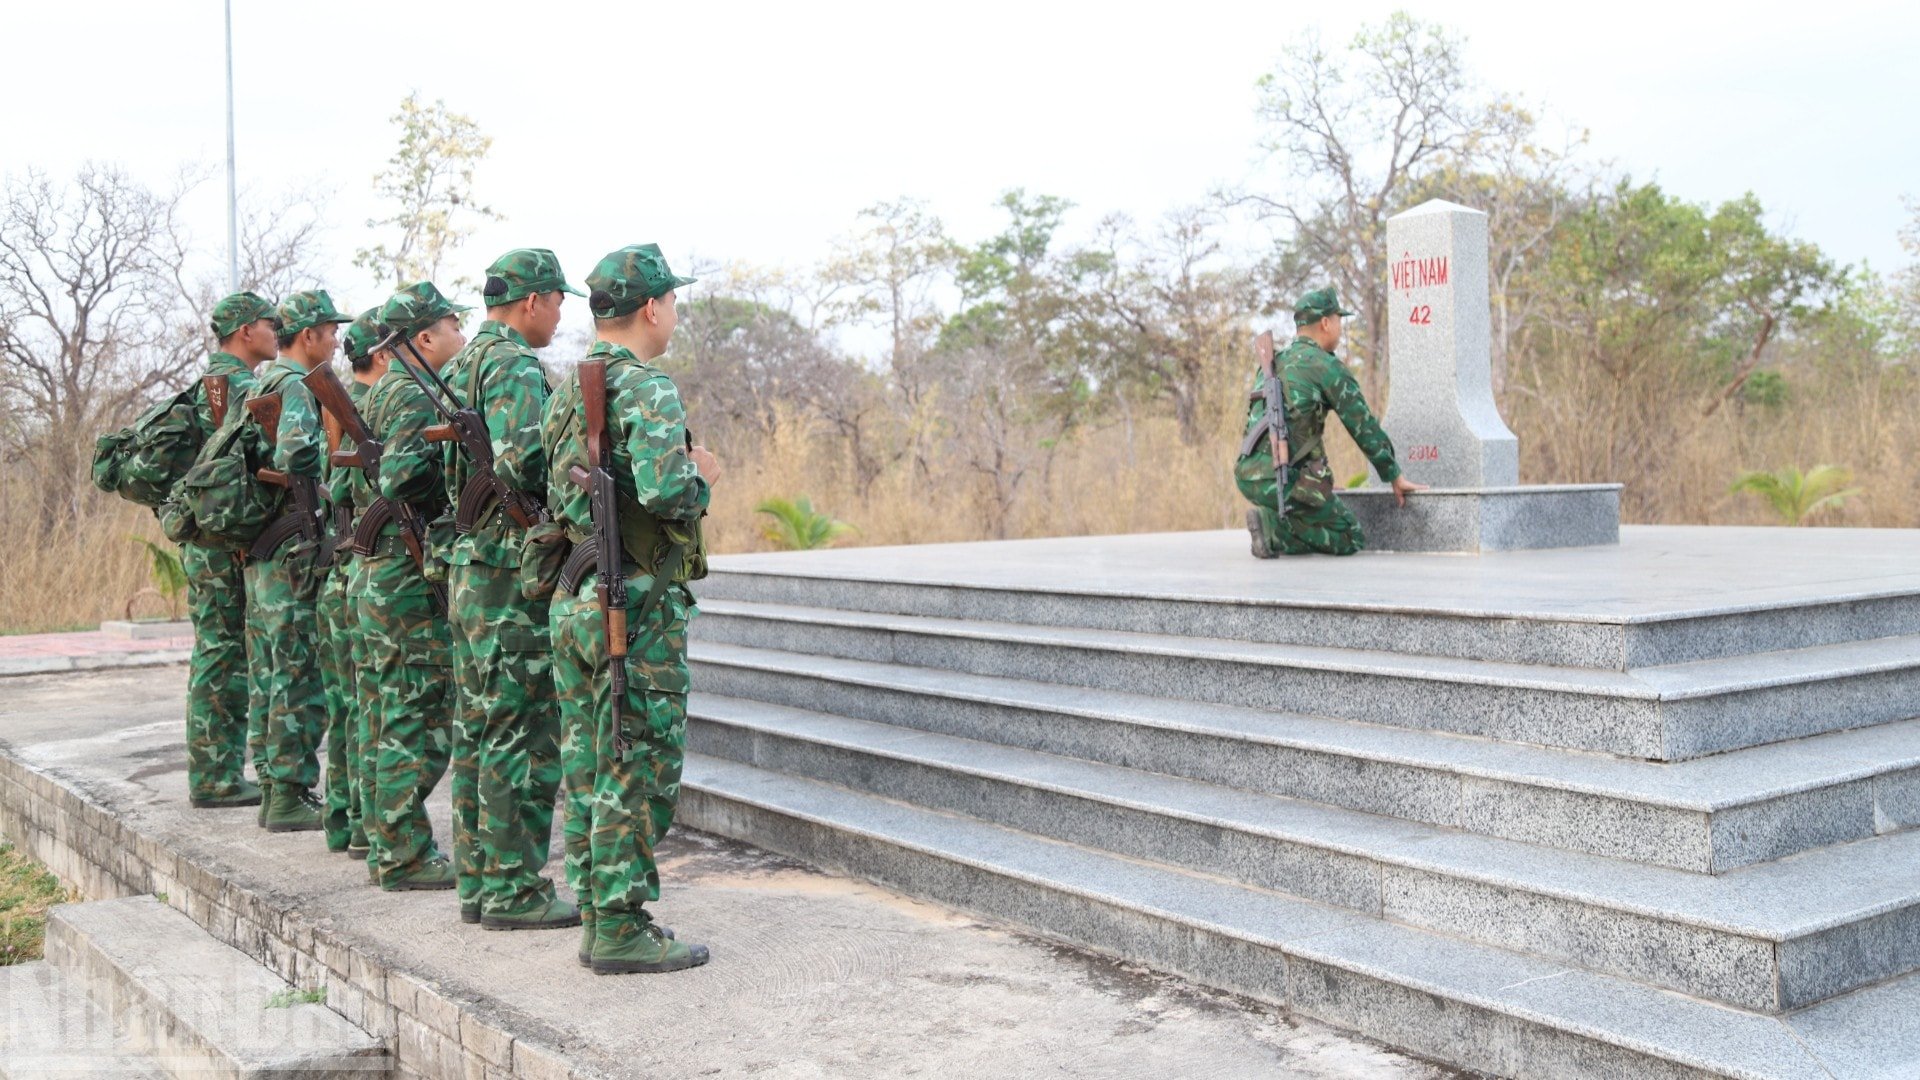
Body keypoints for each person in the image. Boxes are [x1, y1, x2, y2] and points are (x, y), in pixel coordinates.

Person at [543, 244, 717, 974]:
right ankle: (618, 926)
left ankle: (595, 906)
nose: (673, 312)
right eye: (671, 300)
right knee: (633, 757)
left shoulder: (568, 387)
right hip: (633, 598)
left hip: (577, 593)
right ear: (651, 307)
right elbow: (668, 493)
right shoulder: (646, 388)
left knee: (590, 756)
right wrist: (702, 476)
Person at [443, 250, 581, 929]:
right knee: (520, 729)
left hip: (470, 567)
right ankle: (512, 888)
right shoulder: (513, 366)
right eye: (558, 302)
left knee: (479, 725)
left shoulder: (460, 362)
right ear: (532, 301)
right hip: (506, 569)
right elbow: (527, 459)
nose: (560, 316)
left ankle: (479, 878)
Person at [356, 282, 465, 889]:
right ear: (424, 338)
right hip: (402, 575)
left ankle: (387, 843)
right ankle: (402, 852)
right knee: (417, 713)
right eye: (452, 324)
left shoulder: (384, 390)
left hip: (382, 573)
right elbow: (399, 475)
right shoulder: (412, 395)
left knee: (388, 708)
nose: (460, 333)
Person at [247, 290, 352, 830]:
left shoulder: (264, 380)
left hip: (268, 549)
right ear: (308, 335)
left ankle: (273, 786)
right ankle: (287, 793)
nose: (336, 340)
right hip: (291, 548)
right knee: (296, 672)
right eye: (331, 331)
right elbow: (294, 457)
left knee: (270, 668)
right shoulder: (291, 385)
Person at [1236, 287, 1423, 557]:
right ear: (1325, 323)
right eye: (1338, 320)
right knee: (1349, 537)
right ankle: (1273, 530)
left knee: (1308, 508)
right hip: (1281, 479)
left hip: (1246, 473)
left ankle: (1273, 515)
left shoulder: (1274, 363)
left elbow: (1293, 428)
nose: (1340, 327)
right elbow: (1363, 426)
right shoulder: (1326, 367)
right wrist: (1393, 474)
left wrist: (1319, 479)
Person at [183, 291, 278, 810]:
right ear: (246, 331)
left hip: (203, 537)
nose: (276, 331)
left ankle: (213, 769)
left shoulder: (205, 384)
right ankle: (215, 778)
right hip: (222, 542)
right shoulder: (240, 388)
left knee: (214, 650)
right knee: (224, 655)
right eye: (270, 323)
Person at [315, 312, 383, 856]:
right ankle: (358, 824)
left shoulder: (347, 409)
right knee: (366, 708)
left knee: (349, 707)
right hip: (359, 565)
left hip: (345, 572)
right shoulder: (360, 408)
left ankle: (347, 820)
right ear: (383, 356)